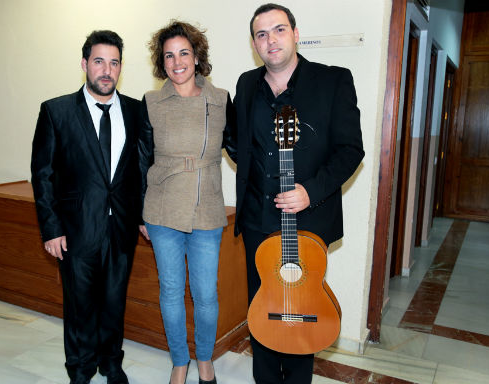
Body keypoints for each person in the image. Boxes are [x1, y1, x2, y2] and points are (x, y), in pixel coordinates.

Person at [225, 3, 365, 383]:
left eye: (279, 30)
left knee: (303, 310)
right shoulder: (245, 83)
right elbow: (237, 142)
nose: (271, 40)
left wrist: (311, 191)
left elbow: (351, 150)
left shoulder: (333, 81)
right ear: (254, 43)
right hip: (258, 219)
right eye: (261, 34)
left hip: (309, 220)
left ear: (296, 33)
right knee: (263, 310)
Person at [31, 30, 141, 384]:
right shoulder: (56, 111)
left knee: (113, 302)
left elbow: (142, 169)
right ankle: (79, 370)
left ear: (121, 67)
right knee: (79, 305)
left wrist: (143, 217)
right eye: (99, 61)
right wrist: (51, 228)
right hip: (75, 230)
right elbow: (43, 175)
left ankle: (111, 364)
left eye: (114, 62)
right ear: (84, 64)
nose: (106, 70)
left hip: (121, 229)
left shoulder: (137, 112)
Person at [138, 20, 235, 384]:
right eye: (169, 56)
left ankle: (205, 360)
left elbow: (241, 148)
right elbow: (141, 159)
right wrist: (139, 215)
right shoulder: (150, 102)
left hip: (207, 207)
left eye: (184, 53)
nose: (177, 62)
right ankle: (180, 360)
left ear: (197, 57)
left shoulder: (222, 99)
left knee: (206, 294)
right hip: (162, 209)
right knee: (171, 291)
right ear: (161, 63)